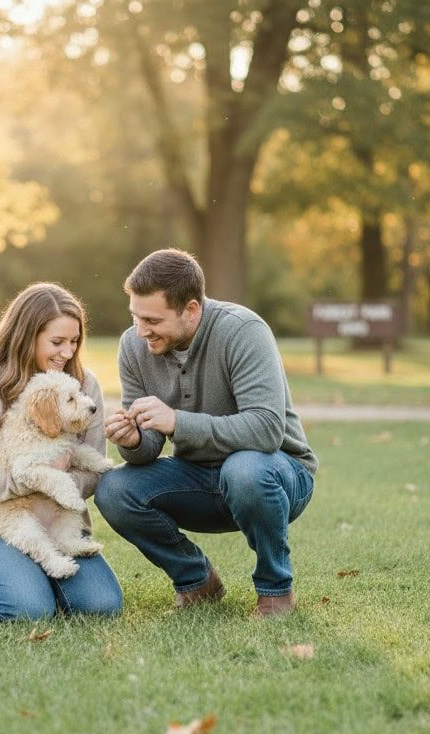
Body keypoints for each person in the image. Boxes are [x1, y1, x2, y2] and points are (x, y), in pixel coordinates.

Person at [95, 249, 317, 618]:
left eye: (152, 319)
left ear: (192, 310)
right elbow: (149, 446)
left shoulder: (243, 331)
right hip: (197, 478)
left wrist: (178, 422)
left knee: (244, 469)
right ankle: (197, 581)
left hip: (275, 475)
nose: (140, 330)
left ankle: (275, 591)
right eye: (135, 316)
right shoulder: (133, 346)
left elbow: (265, 430)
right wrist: (133, 440)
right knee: (113, 489)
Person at [0, 283, 123, 620]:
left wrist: (60, 481)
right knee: (28, 609)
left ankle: (34, 580)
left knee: (102, 606)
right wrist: (40, 478)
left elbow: (92, 472)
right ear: (26, 336)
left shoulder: (85, 385)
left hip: (57, 523)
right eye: (57, 342)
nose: (67, 353)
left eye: (74, 342)